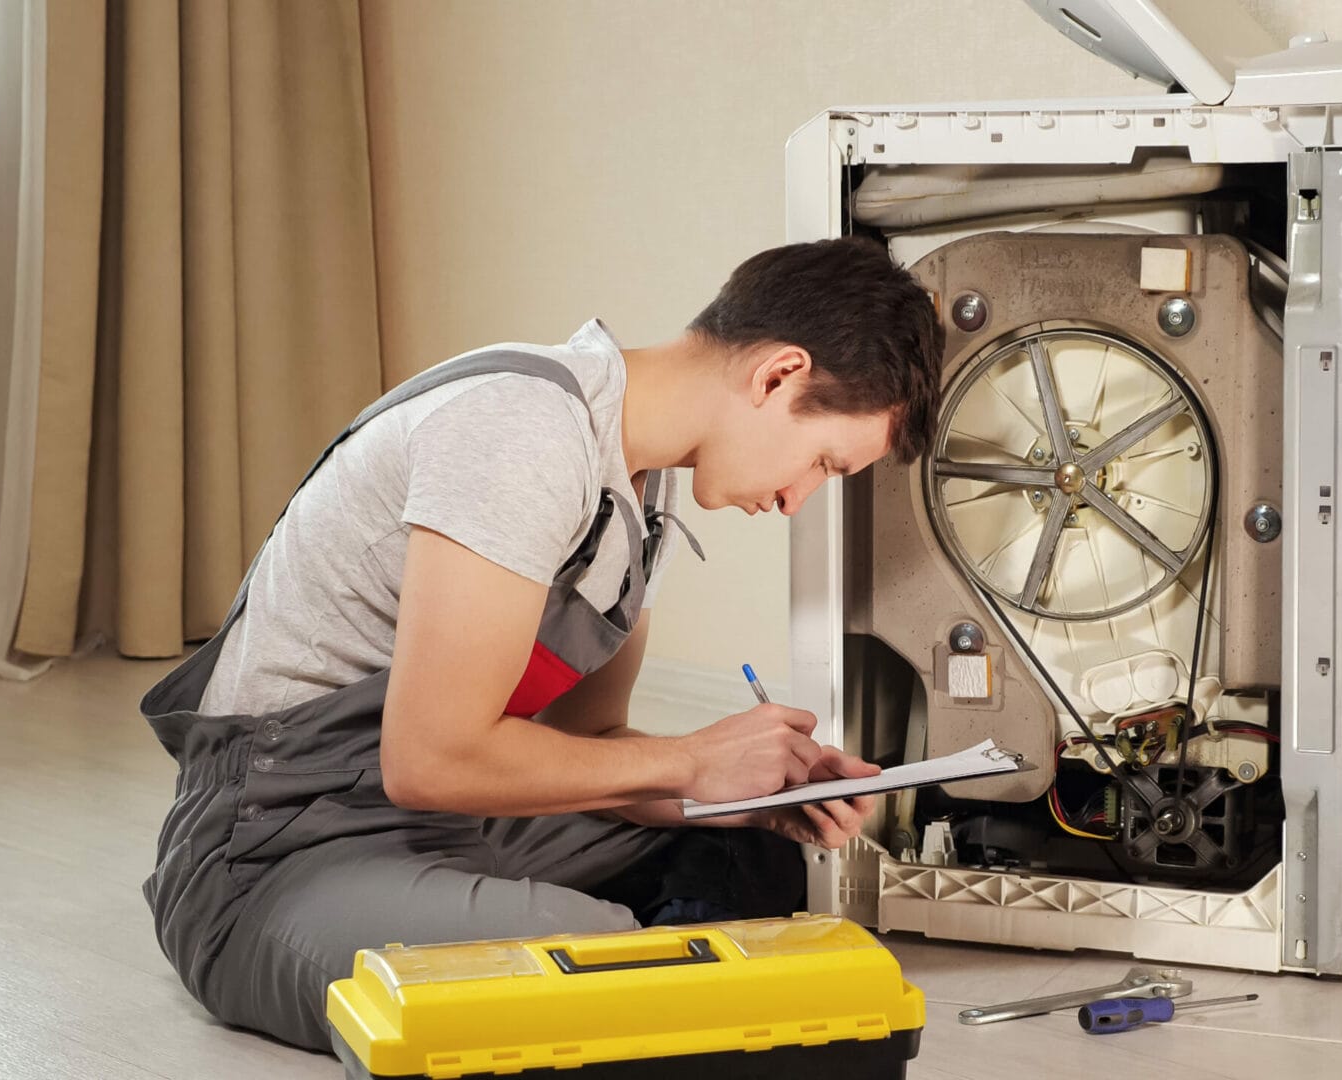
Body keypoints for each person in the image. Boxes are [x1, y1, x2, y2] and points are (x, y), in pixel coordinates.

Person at [140, 238, 945, 1050]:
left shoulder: (643, 494)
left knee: (745, 868)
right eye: (822, 463)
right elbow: (430, 760)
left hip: (457, 828)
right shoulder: (521, 431)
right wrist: (693, 760)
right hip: (279, 849)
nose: (796, 500)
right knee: (602, 960)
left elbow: (585, 753)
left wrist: (755, 794)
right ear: (778, 375)